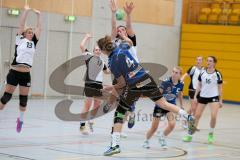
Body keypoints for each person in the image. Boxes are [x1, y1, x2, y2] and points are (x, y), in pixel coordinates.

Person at [97, 35, 196, 156]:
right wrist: (123, 36)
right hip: (146, 78)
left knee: (120, 112)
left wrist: (109, 87)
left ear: (103, 50)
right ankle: (188, 117)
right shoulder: (121, 47)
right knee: (163, 103)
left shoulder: (112, 62)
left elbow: (122, 83)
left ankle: (115, 146)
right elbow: (129, 42)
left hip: (134, 85)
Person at [0, 5, 41, 133]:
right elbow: (21, 23)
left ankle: (20, 120)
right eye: (29, 32)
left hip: (25, 74)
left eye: (32, 32)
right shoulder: (20, 40)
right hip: (14, 72)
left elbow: (39, 28)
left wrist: (39, 15)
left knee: (23, 100)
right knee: (6, 97)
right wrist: (26, 11)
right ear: (24, 33)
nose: (31, 33)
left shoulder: (34, 42)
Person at [109, 0, 137, 129]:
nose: (120, 31)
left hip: (133, 73)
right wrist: (113, 13)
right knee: (121, 100)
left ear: (126, 33)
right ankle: (127, 115)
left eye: (123, 30)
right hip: (121, 74)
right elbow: (113, 28)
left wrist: (129, 15)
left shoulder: (131, 41)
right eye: (118, 30)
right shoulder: (115, 44)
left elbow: (129, 27)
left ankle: (130, 113)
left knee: (126, 101)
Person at [182, 56, 223, 144]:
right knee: (196, 116)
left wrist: (220, 100)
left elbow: (220, 88)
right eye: (207, 61)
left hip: (214, 97)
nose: (208, 62)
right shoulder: (203, 72)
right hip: (203, 96)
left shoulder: (217, 74)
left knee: (213, 116)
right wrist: (196, 96)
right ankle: (190, 135)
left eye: (210, 61)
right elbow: (199, 85)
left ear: (214, 63)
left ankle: (211, 134)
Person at [143, 67, 184, 149]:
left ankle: (162, 137)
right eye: (173, 72)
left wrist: (182, 105)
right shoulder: (166, 82)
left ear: (180, 75)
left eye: (176, 73)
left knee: (172, 125)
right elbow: (159, 93)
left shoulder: (181, 83)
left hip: (170, 106)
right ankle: (146, 141)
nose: (174, 74)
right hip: (160, 106)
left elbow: (180, 94)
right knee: (154, 128)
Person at [79, 33, 109, 134]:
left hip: (98, 84)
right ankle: (82, 125)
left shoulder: (102, 61)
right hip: (89, 83)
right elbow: (82, 46)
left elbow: (107, 72)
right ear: (93, 51)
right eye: (96, 49)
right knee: (87, 105)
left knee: (97, 104)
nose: (98, 51)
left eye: (99, 50)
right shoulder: (89, 57)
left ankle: (90, 120)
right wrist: (86, 37)